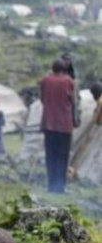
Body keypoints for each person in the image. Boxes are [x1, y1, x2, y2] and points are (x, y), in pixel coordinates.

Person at [40, 59, 75, 193]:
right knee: (62, 156)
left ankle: (51, 185)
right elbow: (72, 102)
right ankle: (60, 186)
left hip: (49, 124)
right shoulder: (68, 81)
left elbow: (42, 99)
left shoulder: (45, 80)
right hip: (64, 125)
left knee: (50, 155)